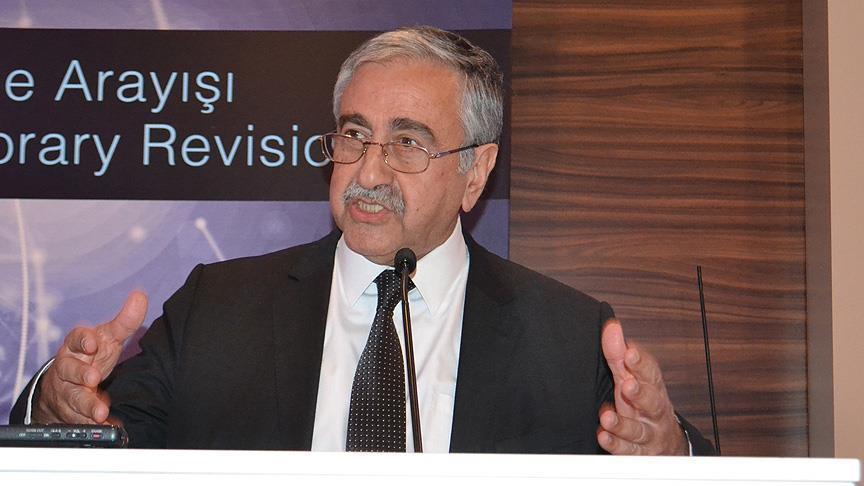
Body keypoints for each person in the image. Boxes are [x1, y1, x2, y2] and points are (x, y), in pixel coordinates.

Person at [11, 26, 713, 455]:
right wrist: (57, 403)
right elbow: (103, 440)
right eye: (354, 135)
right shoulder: (217, 307)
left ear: (475, 172)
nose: (368, 173)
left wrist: (668, 452)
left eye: (408, 142)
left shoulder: (565, 336)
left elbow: (669, 454)